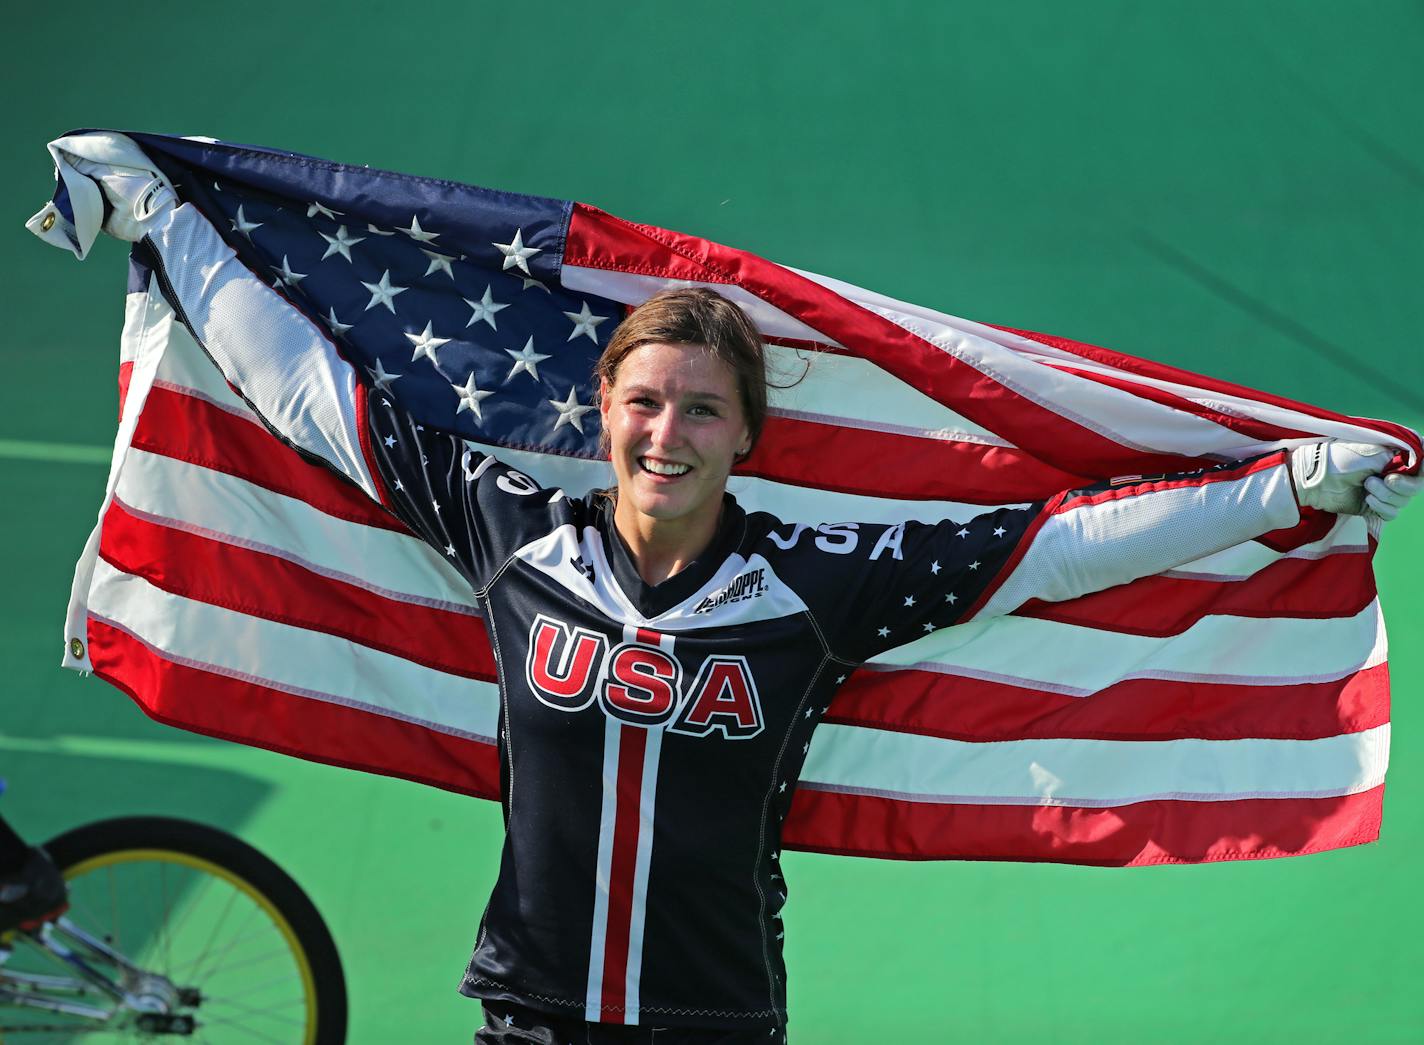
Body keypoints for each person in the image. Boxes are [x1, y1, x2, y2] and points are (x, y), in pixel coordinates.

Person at [70, 157, 1419, 1044]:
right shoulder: (511, 535)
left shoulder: (814, 586)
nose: (669, 433)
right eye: (645, 403)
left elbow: (1053, 547)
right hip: (523, 1019)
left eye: (702, 410)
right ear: (602, 414)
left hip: (716, 1025)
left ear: (745, 436)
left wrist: (1287, 486)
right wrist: (169, 220)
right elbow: (318, 397)